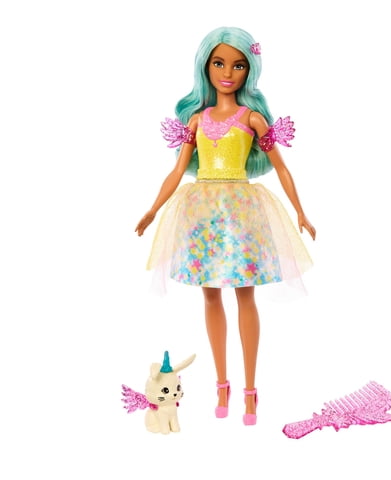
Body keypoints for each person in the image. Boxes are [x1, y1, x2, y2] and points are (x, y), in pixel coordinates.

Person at [135, 27, 316, 426]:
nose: (228, 73)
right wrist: (152, 210)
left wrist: (300, 211)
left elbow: (282, 168)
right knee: (210, 296)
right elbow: (177, 171)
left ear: (250, 70)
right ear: (206, 66)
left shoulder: (252, 118)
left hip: (241, 212)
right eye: (219, 63)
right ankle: (222, 385)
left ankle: (250, 390)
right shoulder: (197, 119)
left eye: (238, 65)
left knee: (245, 296)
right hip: (202, 213)